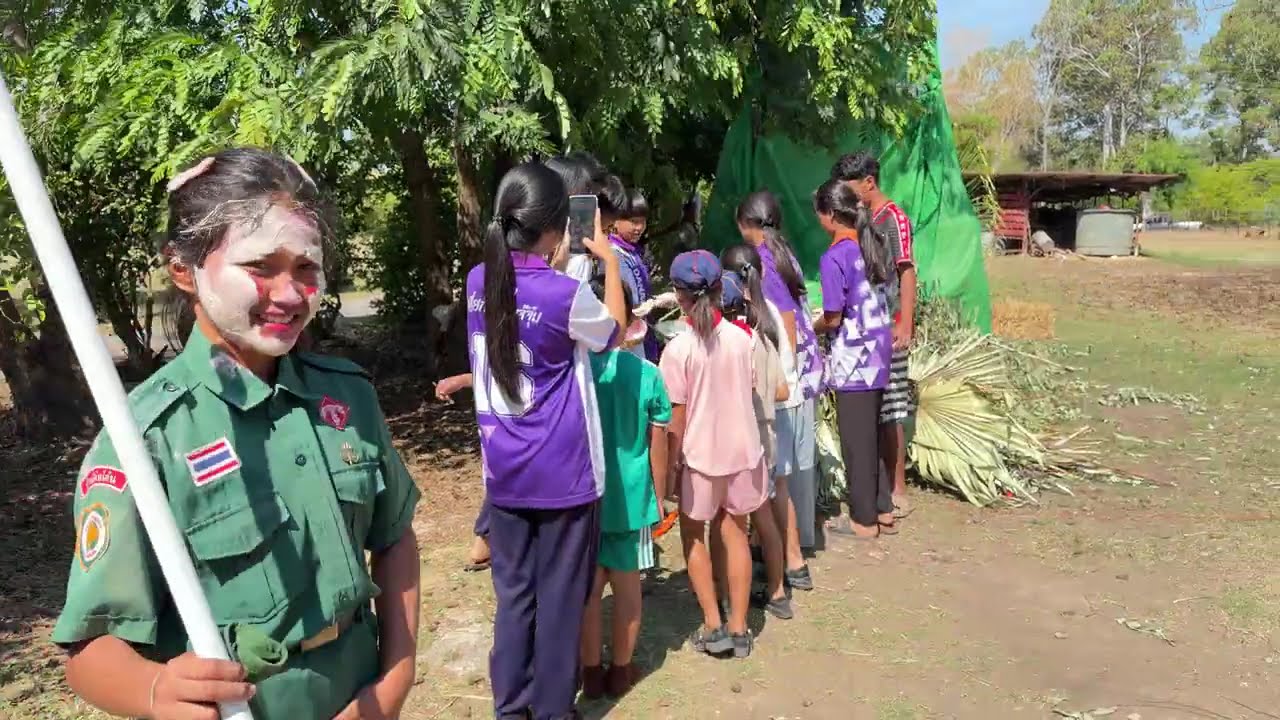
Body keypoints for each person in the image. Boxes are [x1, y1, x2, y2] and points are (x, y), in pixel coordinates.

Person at [52, 148, 422, 720]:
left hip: (363, 695)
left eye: (306, 268)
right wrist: (154, 689)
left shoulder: (345, 396)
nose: (290, 294)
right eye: (260, 266)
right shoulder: (146, 439)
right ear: (184, 269)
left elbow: (393, 536)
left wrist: (395, 678)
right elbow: (88, 650)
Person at [467, 162, 627, 720]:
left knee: (514, 599)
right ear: (558, 227)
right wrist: (607, 262)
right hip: (563, 475)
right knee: (560, 602)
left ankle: (511, 708)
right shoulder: (563, 294)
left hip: (504, 473)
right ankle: (555, 709)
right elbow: (613, 333)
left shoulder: (477, 281)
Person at [659, 251, 766, 659]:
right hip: (742, 453)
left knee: (693, 536)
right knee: (736, 532)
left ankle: (712, 624)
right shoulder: (743, 339)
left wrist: (670, 468)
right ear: (722, 289)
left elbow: (676, 418)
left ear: (678, 296)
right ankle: (739, 627)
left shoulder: (678, 349)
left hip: (698, 458)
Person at [579, 278, 671, 700]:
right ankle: (620, 669)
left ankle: (590, 672)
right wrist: (660, 496)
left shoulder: (575, 372)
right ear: (630, 317)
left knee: (589, 590)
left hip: (584, 499)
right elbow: (658, 446)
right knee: (628, 588)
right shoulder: (648, 374)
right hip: (632, 499)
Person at [735, 191, 819, 590]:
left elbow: (784, 321)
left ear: (746, 225)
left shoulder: (763, 262)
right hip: (797, 374)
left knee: (775, 482)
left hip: (783, 382)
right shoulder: (784, 253)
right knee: (777, 479)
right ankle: (773, 553)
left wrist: (780, 375)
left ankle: (792, 560)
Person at [831, 152, 917, 519]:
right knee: (874, 409)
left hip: (889, 324)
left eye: (849, 189)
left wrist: (905, 322)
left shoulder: (892, 218)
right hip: (865, 328)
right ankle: (877, 490)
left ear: (869, 182)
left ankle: (898, 487)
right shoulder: (859, 220)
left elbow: (906, 269)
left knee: (892, 406)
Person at [812, 179, 895, 538]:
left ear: (830, 214)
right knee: (871, 434)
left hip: (855, 358)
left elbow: (832, 317)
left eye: (818, 213)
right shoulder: (871, 243)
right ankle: (882, 508)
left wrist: (811, 326)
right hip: (879, 351)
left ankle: (863, 521)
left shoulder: (834, 257)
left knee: (855, 442)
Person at [717, 270, 793, 620]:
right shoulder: (761, 339)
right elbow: (783, 391)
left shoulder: (730, 344)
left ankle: (730, 597)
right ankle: (778, 591)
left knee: (731, 527)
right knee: (765, 521)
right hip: (768, 437)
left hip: (741, 442)